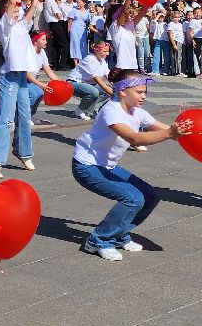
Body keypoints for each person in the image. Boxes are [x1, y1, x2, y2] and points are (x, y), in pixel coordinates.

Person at [71, 70, 185, 260]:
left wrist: (184, 132)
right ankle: (98, 240)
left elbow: (165, 129)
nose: (144, 96)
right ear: (123, 92)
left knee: (150, 196)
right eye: (139, 92)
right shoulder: (111, 110)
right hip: (87, 166)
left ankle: (118, 234)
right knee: (133, 198)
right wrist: (170, 134)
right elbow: (133, 138)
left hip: (107, 166)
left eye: (145, 92)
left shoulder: (137, 112)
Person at [0, 0, 44, 180]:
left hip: (21, 76)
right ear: (5, 11)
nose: (19, 7)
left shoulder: (21, 24)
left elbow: (33, 4)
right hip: (9, 76)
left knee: (24, 115)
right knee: (5, 119)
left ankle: (23, 152)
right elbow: (11, 1)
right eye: (15, 7)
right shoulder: (4, 25)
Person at [68, 38, 114, 120]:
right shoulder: (90, 60)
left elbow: (109, 76)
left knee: (107, 90)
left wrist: (116, 87)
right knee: (94, 92)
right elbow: (98, 80)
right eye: (105, 51)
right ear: (96, 50)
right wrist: (111, 92)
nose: (107, 54)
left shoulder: (103, 61)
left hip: (89, 84)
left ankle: (91, 110)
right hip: (74, 83)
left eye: (108, 51)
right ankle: (81, 109)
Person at [44, 0, 69, 70]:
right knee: (64, 45)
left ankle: (56, 64)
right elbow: (58, 14)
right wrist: (60, 15)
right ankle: (62, 65)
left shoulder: (47, 1)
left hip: (52, 24)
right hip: (56, 23)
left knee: (56, 44)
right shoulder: (51, 1)